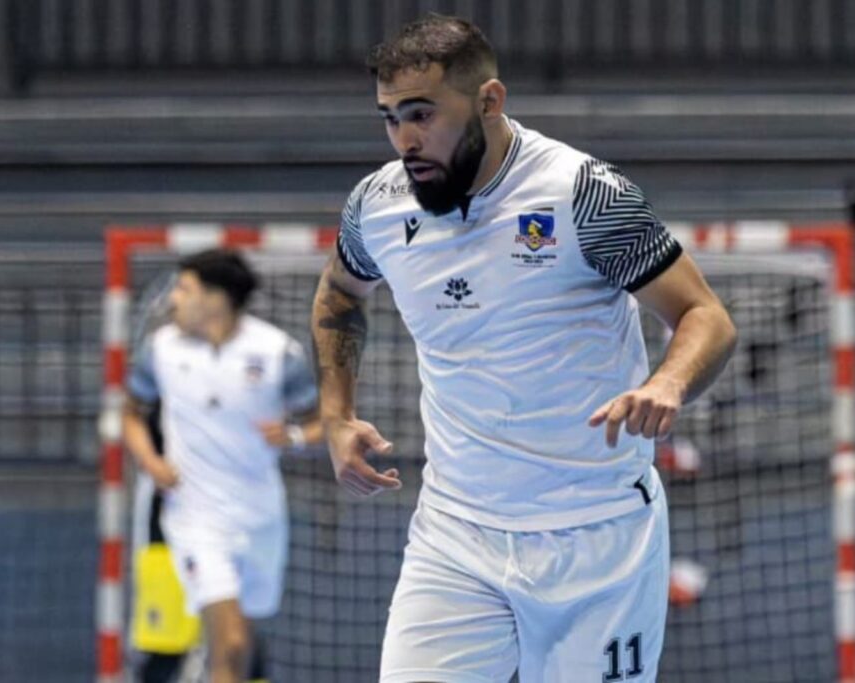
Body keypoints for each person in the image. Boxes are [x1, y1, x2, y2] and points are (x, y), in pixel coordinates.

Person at [310, 14, 738, 683]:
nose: (405, 139)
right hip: (456, 533)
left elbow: (705, 315)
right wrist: (336, 415)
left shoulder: (582, 194)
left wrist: (668, 384)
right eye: (390, 117)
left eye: (422, 114)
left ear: (490, 101)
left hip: (597, 536)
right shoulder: (379, 206)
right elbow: (338, 295)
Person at [124, 248, 323, 683]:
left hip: (260, 517)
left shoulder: (275, 353)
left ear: (215, 298)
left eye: (184, 289)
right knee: (228, 642)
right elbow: (132, 414)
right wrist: (150, 461)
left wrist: (290, 436)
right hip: (195, 518)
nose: (174, 299)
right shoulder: (160, 349)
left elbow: (320, 424)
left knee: (242, 649)